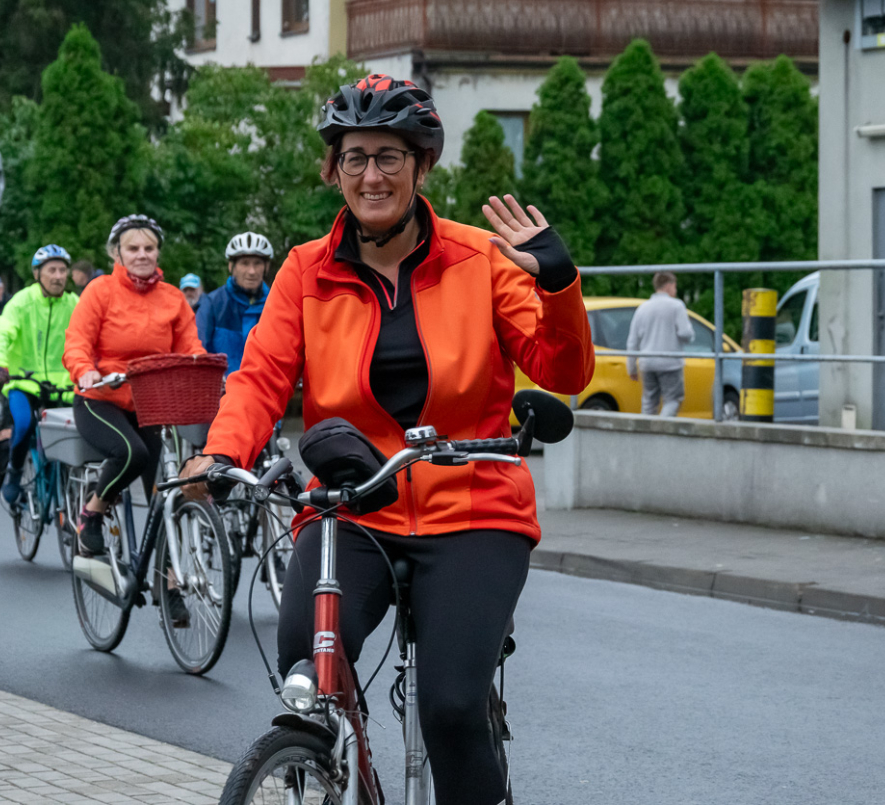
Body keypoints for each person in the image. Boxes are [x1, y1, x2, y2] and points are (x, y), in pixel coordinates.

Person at [178, 75, 594, 805]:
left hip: (472, 507)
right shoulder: (305, 271)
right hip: (353, 507)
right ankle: (337, 766)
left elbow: (564, 367)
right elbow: (260, 378)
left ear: (422, 165)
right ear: (333, 169)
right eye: (355, 157)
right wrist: (222, 453)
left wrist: (558, 283)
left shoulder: (478, 258)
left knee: (452, 706)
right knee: (307, 662)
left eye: (390, 157)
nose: (372, 175)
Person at [63, 215, 204, 563]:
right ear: (118, 254)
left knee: (166, 490)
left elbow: (191, 347)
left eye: (149, 248)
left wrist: (203, 370)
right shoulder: (100, 291)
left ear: (158, 253)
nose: (142, 254)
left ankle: (169, 583)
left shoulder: (173, 298)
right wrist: (84, 371)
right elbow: (77, 341)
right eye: (133, 248)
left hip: (152, 402)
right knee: (132, 452)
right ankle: (92, 513)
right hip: (101, 398)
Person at [0, 246, 78, 507]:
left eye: (62, 270)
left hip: (64, 386)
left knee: (78, 434)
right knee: (24, 424)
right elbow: (3, 332)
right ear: (37, 274)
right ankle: (15, 472)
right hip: (23, 383)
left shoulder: (75, 304)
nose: (58, 276)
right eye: (52, 270)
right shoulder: (22, 301)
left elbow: (93, 336)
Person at [194, 233, 273, 375]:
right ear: (231, 266)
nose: (251, 271)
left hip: (264, 391)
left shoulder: (276, 304)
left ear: (266, 267)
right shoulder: (211, 304)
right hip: (222, 392)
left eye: (257, 263)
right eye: (244, 263)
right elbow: (198, 350)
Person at [626, 271, 694, 417]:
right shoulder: (676, 306)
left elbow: (633, 340)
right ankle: (662, 430)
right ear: (669, 286)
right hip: (670, 362)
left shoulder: (642, 308)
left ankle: (646, 434)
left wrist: (631, 366)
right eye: (675, 286)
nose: (675, 290)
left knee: (649, 402)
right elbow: (685, 333)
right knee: (673, 400)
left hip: (647, 362)